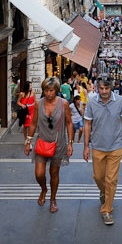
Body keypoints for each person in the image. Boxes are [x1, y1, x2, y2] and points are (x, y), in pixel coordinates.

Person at [83, 75, 122, 225]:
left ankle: (107, 210)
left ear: (112, 88)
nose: (104, 91)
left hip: (115, 146)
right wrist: (85, 146)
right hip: (98, 146)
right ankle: (103, 192)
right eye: (101, 88)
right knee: (98, 177)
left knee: (111, 180)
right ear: (97, 88)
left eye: (107, 88)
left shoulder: (120, 101)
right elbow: (87, 124)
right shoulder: (91, 103)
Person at [24, 77, 74, 213]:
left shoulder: (63, 104)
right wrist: (28, 141)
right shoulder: (38, 103)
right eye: (46, 90)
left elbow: (69, 123)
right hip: (42, 142)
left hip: (58, 144)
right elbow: (33, 123)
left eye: (51, 90)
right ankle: (43, 189)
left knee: (54, 173)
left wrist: (70, 143)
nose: (49, 93)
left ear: (56, 90)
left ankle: (53, 198)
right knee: (39, 174)